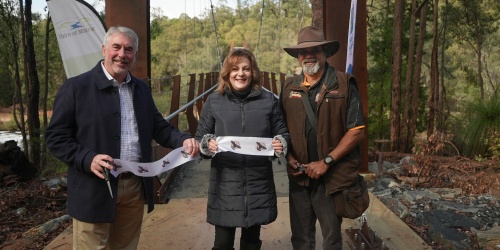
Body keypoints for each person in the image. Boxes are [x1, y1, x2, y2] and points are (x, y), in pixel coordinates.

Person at [45, 26, 199, 249]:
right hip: (94, 188)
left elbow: (159, 127)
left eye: (129, 49)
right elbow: (56, 137)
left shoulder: (141, 89)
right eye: (116, 47)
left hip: (134, 186)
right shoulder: (76, 87)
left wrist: (183, 140)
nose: (122, 54)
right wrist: (88, 159)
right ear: (104, 49)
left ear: (134, 55)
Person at [280, 26, 365, 249]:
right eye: (303, 52)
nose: (309, 56)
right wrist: (288, 157)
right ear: (298, 57)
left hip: (330, 177)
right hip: (299, 177)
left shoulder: (344, 83)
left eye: (315, 50)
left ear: (325, 53)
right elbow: (280, 128)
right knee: (300, 239)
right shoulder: (289, 88)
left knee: (331, 238)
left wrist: (326, 162)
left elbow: (356, 130)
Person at [195, 48, 290, 250]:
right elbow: (200, 138)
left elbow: (282, 133)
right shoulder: (213, 101)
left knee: (251, 243)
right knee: (222, 243)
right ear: (227, 72)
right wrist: (207, 144)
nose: (241, 73)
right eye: (235, 68)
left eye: (246, 68)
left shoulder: (269, 101)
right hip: (225, 184)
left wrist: (280, 143)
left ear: (253, 72)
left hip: (258, 182)